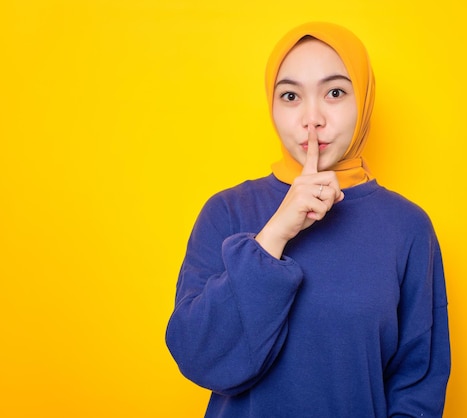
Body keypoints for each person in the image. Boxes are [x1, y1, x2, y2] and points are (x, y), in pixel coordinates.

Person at [166, 21, 451, 418]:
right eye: (290, 96)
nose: (312, 118)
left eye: (335, 92)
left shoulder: (407, 227)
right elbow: (199, 357)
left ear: (363, 99)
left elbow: (417, 384)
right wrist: (275, 234)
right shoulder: (226, 212)